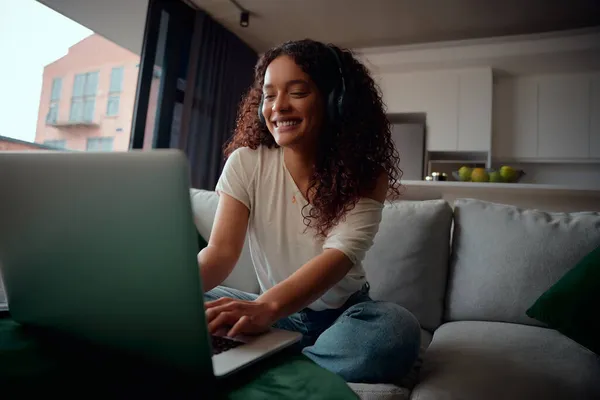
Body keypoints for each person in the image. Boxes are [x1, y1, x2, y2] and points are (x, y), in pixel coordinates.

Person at [198, 39, 421, 384]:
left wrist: (265, 309)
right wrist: (168, 295)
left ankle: (269, 361)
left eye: (298, 92)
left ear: (335, 102)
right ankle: (294, 361)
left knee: (395, 331)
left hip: (341, 316)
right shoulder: (246, 162)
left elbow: (338, 257)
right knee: (187, 303)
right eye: (270, 95)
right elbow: (220, 253)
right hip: (272, 312)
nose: (278, 107)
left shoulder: (366, 176)